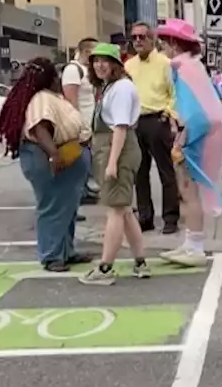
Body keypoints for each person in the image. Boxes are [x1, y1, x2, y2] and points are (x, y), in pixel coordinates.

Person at [0, 58, 93, 272]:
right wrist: (54, 154)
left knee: (66, 206)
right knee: (52, 205)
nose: (59, 79)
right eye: (56, 76)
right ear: (49, 78)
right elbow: (40, 127)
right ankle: (51, 256)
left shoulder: (49, 97)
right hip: (47, 155)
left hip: (67, 153)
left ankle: (66, 251)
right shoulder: (41, 99)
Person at [155, 18, 222, 268]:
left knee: (189, 192)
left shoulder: (182, 68)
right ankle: (191, 242)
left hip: (193, 138)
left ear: (174, 44)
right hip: (198, 135)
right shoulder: (192, 67)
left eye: (164, 43)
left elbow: (193, 112)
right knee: (188, 192)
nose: (161, 49)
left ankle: (195, 245)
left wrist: (183, 137)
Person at [81, 43, 151, 285]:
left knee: (115, 210)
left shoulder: (120, 88)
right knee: (124, 209)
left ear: (116, 64)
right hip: (112, 148)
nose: (99, 65)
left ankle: (105, 267)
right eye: (96, 61)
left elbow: (120, 127)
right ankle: (140, 261)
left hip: (117, 149)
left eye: (105, 61)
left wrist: (112, 163)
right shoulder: (110, 87)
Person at [125, 23, 180, 234]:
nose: (138, 41)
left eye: (142, 37)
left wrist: (168, 114)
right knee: (140, 172)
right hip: (136, 121)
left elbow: (175, 93)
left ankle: (170, 218)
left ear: (152, 39)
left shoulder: (165, 63)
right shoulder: (129, 66)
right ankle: (145, 217)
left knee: (166, 172)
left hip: (158, 119)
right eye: (135, 37)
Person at [61, 37, 99, 204]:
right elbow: (71, 98)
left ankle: (84, 187)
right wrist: (78, 124)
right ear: (86, 52)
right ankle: (79, 190)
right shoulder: (73, 70)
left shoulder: (85, 69)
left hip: (89, 121)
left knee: (87, 156)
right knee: (80, 156)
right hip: (80, 122)